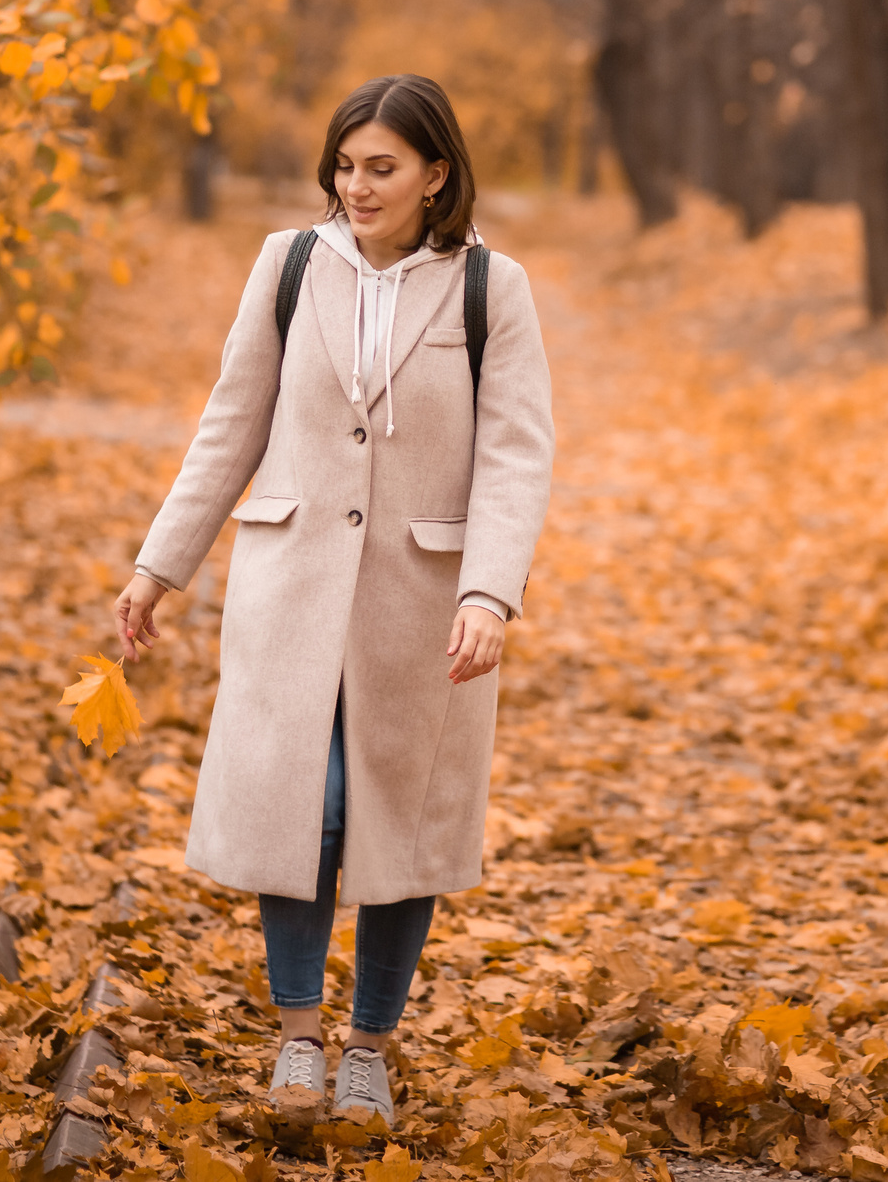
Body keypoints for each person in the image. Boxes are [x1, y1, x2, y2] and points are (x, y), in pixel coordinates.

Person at [109, 76, 554, 1128]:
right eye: (346, 165)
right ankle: (298, 1040)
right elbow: (232, 421)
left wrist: (491, 591)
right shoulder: (289, 266)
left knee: (400, 817)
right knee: (306, 809)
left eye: (383, 168)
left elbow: (516, 455)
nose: (358, 186)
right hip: (291, 586)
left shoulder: (492, 288)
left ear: (434, 174)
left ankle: (371, 1049)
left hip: (427, 603)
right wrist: (157, 564)